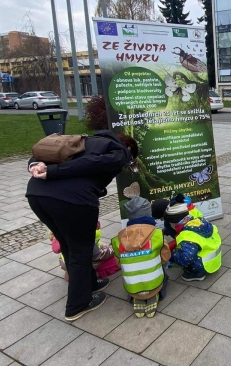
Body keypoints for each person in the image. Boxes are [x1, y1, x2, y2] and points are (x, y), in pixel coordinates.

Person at [27, 131, 136, 321]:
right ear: (128, 148)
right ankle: (78, 304)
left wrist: (35, 166)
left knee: (69, 244)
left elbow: (40, 154)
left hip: (36, 195)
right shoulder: (120, 152)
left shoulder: (83, 141)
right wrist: (53, 172)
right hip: (72, 201)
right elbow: (90, 164)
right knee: (80, 250)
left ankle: (90, 284)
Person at [111, 197, 171, 318]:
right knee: (160, 267)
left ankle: (136, 297)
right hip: (154, 284)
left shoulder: (118, 239)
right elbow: (165, 257)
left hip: (132, 287)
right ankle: (153, 294)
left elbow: (119, 263)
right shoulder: (157, 234)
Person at [164, 195, 222, 282]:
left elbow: (186, 258)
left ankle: (196, 274)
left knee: (181, 253)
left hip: (205, 265)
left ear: (173, 223)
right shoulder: (199, 221)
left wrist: (171, 256)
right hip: (215, 260)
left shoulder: (186, 235)